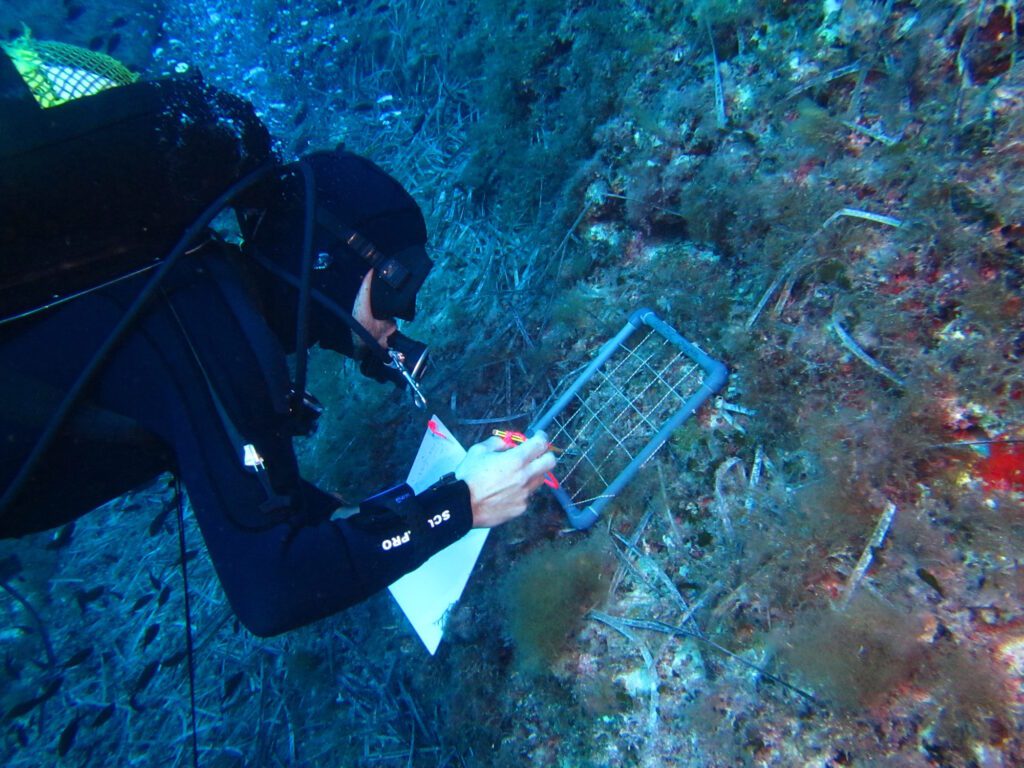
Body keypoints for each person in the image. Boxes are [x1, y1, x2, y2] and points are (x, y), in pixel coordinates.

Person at [0, 33, 556, 637]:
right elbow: (272, 589)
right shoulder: (201, 318)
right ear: (333, 259)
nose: (407, 312)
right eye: (398, 281)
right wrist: (463, 506)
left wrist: (360, 519)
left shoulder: (198, 298)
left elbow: (249, 486)